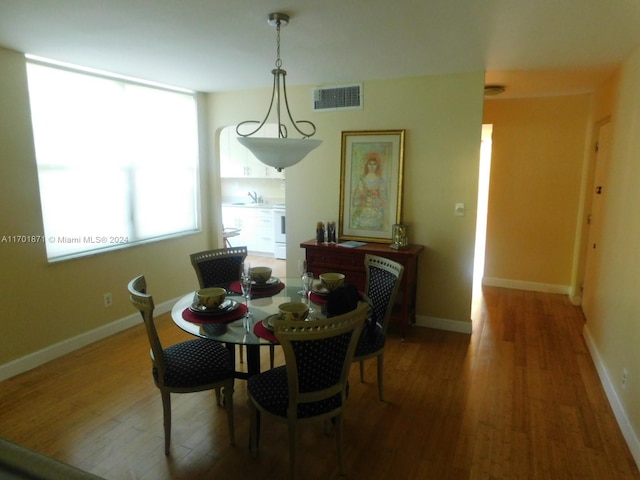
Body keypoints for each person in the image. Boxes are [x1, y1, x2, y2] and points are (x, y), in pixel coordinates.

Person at [351, 152, 387, 230]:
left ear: (377, 166)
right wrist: (362, 197)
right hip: (362, 212)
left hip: (376, 213)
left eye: (374, 164)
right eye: (370, 164)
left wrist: (377, 197)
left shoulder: (380, 181)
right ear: (366, 165)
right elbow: (355, 199)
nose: (372, 166)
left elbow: (384, 199)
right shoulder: (362, 180)